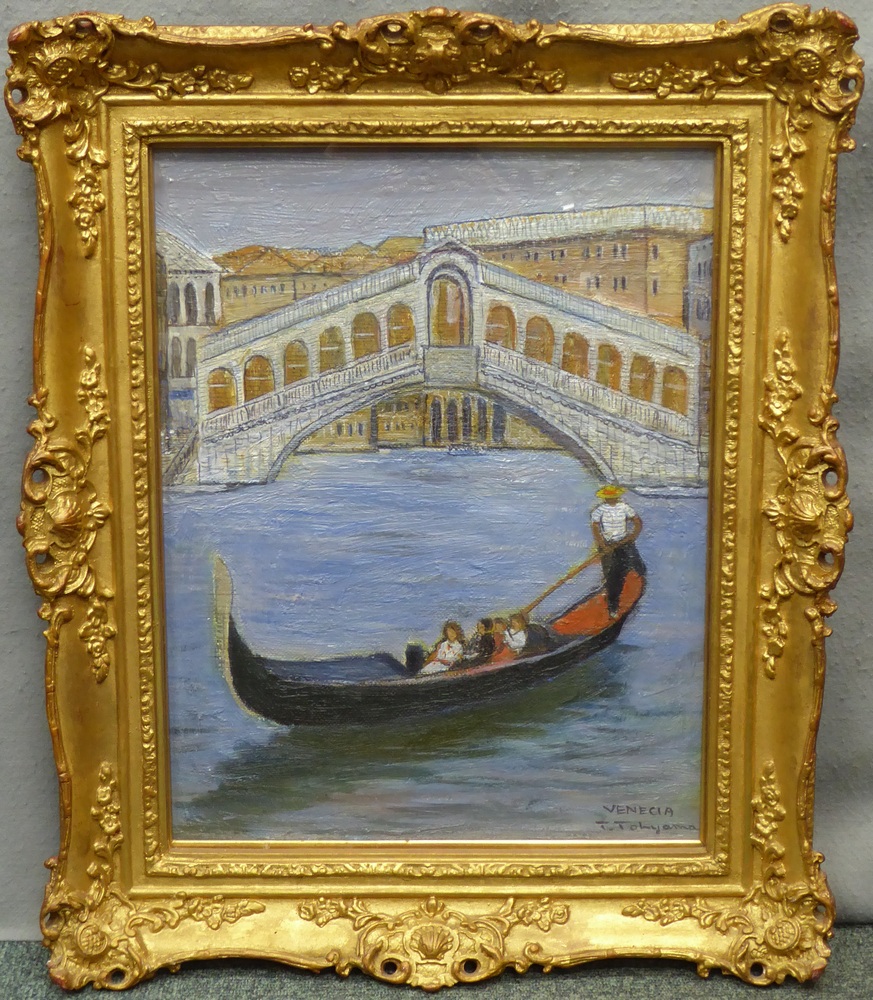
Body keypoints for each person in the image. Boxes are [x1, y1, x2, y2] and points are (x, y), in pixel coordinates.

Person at [590, 484, 646, 619]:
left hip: (624, 543)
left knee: (639, 568)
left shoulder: (624, 507)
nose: (611, 499)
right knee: (612, 576)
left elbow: (638, 522)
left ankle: (631, 589)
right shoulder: (599, 510)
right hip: (608, 545)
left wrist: (632, 537)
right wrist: (602, 544)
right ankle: (613, 606)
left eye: (613, 497)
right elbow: (595, 527)